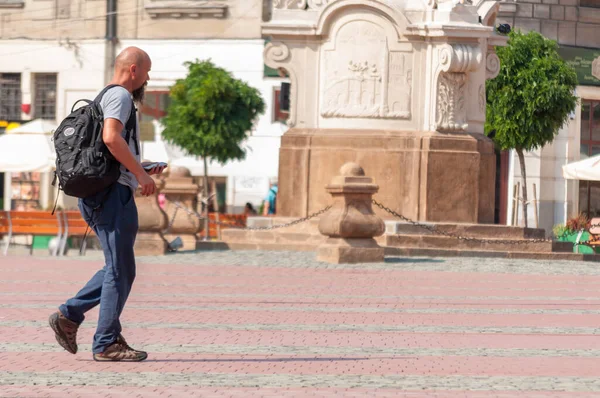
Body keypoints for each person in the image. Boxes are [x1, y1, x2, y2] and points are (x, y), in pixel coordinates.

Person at [48, 46, 166, 362]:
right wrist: (141, 176)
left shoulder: (107, 97)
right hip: (111, 196)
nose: (148, 78)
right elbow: (112, 138)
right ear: (133, 70)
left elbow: (110, 146)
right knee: (119, 269)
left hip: (105, 191)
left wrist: (141, 165)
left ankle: (70, 315)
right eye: (147, 71)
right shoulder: (121, 97)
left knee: (120, 268)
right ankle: (105, 342)